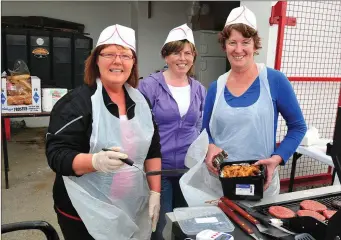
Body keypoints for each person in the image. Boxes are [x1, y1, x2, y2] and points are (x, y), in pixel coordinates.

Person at [46, 24, 162, 240]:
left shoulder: (141, 102)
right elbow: (56, 155)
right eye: (109, 53)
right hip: (83, 211)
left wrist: (155, 192)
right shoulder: (75, 103)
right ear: (96, 60)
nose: (117, 61)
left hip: (130, 204)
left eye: (125, 55)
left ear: (133, 63)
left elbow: (153, 149)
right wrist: (95, 162)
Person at [203, 6, 307, 196]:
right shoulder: (215, 88)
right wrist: (209, 146)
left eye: (246, 42)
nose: (239, 49)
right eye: (232, 42)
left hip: (261, 181)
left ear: (255, 45)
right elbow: (204, 131)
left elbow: (298, 127)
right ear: (224, 45)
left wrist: (277, 158)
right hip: (221, 184)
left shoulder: (274, 81)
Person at [138, 23, 206, 239]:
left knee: (187, 223)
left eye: (187, 53)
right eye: (176, 52)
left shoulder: (199, 89)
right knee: (158, 224)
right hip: (160, 169)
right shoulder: (149, 87)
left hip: (189, 170)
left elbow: (201, 126)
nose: (182, 58)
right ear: (165, 55)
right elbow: (138, 128)